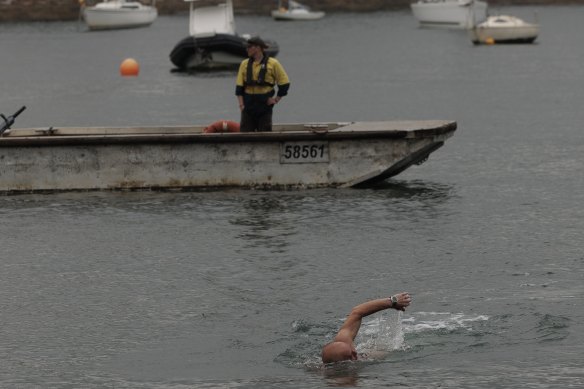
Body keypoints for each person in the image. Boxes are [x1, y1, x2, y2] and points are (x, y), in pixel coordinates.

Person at [321, 292, 412, 363]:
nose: (355, 353)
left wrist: (393, 301)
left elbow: (357, 312)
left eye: (352, 350)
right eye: (350, 355)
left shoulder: (343, 342)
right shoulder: (343, 378)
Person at [235, 36, 290, 132]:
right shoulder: (244, 64)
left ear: (258, 48)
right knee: (245, 136)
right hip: (248, 108)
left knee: (265, 134)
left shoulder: (273, 63)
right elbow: (239, 88)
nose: (246, 49)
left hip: (264, 107)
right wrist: (241, 106)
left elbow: (284, 83)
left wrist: (276, 99)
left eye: (249, 47)